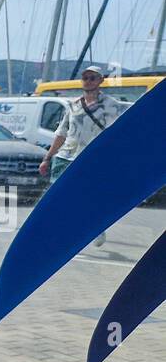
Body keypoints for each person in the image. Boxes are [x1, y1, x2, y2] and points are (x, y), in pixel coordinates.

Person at [39, 65, 126, 245]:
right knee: (58, 195)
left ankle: (97, 227)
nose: (88, 81)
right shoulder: (73, 105)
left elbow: (118, 135)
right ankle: (56, 232)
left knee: (90, 196)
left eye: (92, 78)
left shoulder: (112, 106)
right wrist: (47, 158)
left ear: (101, 80)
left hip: (92, 158)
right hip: (66, 156)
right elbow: (62, 133)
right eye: (85, 78)